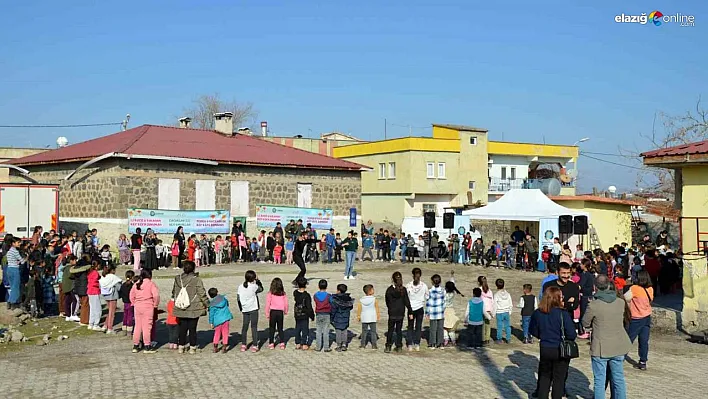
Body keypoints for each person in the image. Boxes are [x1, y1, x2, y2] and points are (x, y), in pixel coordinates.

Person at [582, 275, 630, 399]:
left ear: (595, 287)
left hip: (601, 347)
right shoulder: (620, 302)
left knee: (599, 380)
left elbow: (585, 323)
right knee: (619, 379)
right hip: (619, 345)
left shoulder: (594, 305)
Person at [529, 286, 577, 399]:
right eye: (561, 297)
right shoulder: (562, 314)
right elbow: (572, 334)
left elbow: (533, 330)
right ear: (557, 298)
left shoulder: (537, 313)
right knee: (558, 380)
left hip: (545, 347)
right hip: (559, 349)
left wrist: (543, 336)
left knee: (544, 378)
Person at [172, 261, 209, 354]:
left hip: (181, 307)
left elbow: (174, 292)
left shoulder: (177, 278)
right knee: (192, 329)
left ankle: (181, 346)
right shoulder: (196, 280)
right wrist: (207, 304)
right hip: (194, 307)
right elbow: (201, 293)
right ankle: (192, 347)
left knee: (182, 328)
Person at [624, 269, 653, 371]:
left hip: (636, 318)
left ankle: (621, 357)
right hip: (647, 317)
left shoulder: (634, 288)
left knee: (629, 339)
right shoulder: (650, 289)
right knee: (644, 340)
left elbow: (625, 298)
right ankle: (643, 361)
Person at [130, 269, 160, 353]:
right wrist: (155, 305)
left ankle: (135, 345)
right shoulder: (151, 284)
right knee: (147, 327)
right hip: (148, 306)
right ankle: (147, 345)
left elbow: (131, 295)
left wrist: (133, 303)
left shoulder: (136, 284)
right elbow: (156, 296)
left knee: (137, 326)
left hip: (137, 306)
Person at [385, 271, 412, 353]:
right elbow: (407, 301)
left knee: (390, 330)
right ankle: (399, 346)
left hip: (392, 313)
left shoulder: (389, 290)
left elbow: (387, 302)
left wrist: (390, 308)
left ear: (393, 280)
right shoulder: (403, 289)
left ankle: (388, 346)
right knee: (399, 330)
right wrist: (410, 311)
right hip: (400, 312)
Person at [237, 270, 263, 352]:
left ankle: (243, 344)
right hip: (253, 308)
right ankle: (255, 345)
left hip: (245, 309)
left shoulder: (240, 286)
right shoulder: (254, 286)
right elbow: (261, 289)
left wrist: (241, 308)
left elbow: (238, 298)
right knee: (254, 327)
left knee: (245, 327)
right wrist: (258, 281)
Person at [406, 267, 429, 351]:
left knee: (410, 326)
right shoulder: (424, 286)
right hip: (418, 308)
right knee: (418, 327)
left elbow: (406, 298)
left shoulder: (408, 285)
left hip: (411, 309)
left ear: (413, 275)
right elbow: (427, 297)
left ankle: (410, 344)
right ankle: (417, 343)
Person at [208, 287, 233, 353]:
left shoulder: (212, 304)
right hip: (225, 318)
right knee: (225, 333)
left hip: (217, 321)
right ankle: (224, 347)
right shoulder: (223, 299)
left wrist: (211, 322)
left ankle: (215, 347)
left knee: (217, 334)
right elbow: (227, 304)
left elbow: (211, 314)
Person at [266, 277, 289, 349]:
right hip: (280, 312)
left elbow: (267, 304)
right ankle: (282, 342)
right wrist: (286, 310)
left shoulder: (270, 293)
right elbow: (286, 303)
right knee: (280, 328)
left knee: (272, 328)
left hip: (273, 312)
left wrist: (267, 313)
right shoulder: (283, 294)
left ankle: (271, 343)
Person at [330, 283, 354, 351]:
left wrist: (331, 317)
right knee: (344, 331)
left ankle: (338, 345)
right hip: (346, 318)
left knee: (338, 332)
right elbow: (351, 307)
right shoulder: (348, 299)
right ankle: (344, 344)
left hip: (337, 318)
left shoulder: (336, 299)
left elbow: (334, 309)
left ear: (338, 291)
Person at [99, 265, 122, 334]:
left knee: (110, 311)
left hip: (106, 296)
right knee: (112, 313)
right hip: (113, 296)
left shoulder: (103, 277)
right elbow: (119, 287)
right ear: (112, 270)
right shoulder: (113, 277)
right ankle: (110, 328)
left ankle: (105, 325)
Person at [293, 277, 315, 350]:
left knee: (297, 328)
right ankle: (304, 343)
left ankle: (297, 343)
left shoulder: (295, 293)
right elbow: (309, 307)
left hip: (297, 313)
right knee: (305, 329)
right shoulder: (307, 295)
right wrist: (312, 315)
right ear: (305, 284)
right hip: (305, 314)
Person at [426, 274, 445, 349]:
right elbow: (444, 301)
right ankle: (440, 343)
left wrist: (427, 313)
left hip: (433, 313)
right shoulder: (443, 290)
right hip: (440, 312)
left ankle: (432, 343)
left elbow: (428, 303)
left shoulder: (430, 291)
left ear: (432, 282)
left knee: (433, 329)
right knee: (440, 328)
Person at [358, 284, 380, 349]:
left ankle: (363, 344)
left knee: (364, 331)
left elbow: (359, 309)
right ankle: (374, 345)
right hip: (372, 317)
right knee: (373, 331)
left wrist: (358, 316)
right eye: (373, 289)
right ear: (370, 291)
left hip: (364, 317)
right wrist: (378, 316)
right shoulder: (374, 299)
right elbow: (377, 308)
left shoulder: (361, 300)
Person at [70, 257, 91, 326]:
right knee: (85, 305)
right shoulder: (84, 271)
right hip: (84, 290)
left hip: (77, 289)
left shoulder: (75, 271)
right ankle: (85, 320)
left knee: (82, 305)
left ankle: (82, 319)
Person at [4, 237, 24, 309]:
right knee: (16, 287)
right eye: (18, 243)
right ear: (13, 243)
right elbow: (22, 261)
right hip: (15, 269)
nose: (20, 244)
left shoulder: (9, 251)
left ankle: (10, 301)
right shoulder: (15, 251)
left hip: (9, 269)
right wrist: (24, 259)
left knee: (12, 286)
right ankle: (12, 302)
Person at [313, 279, 332, 352]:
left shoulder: (315, 295)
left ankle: (318, 347)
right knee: (326, 331)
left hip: (318, 314)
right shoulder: (328, 296)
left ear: (318, 286)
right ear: (326, 286)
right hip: (326, 314)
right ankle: (326, 347)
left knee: (318, 331)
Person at [443, 278, 463, 346]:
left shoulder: (445, 294)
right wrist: (452, 276)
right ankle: (453, 340)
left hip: (445, 311)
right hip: (451, 310)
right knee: (451, 328)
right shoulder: (453, 293)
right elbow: (452, 284)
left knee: (444, 327)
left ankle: (446, 339)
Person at [494, 278, 513, 343]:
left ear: (496, 286)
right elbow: (510, 303)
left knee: (499, 326)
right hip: (506, 312)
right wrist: (509, 311)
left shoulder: (496, 295)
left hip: (499, 312)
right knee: (507, 326)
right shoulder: (508, 294)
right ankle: (508, 338)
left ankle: (499, 339)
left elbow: (495, 305)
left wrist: (493, 313)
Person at [478, 276, 494, 345]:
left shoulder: (479, 290)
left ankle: (483, 339)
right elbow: (492, 301)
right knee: (487, 325)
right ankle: (487, 339)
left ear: (478, 282)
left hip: (482, 309)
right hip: (488, 310)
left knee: (482, 325)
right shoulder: (490, 291)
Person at [120, 270, 135, 335]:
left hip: (125, 302)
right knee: (130, 316)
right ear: (132, 277)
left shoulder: (123, 285)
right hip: (130, 302)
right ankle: (129, 329)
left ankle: (124, 328)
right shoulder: (132, 286)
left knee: (125, 315)